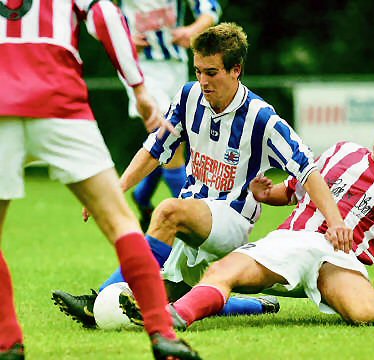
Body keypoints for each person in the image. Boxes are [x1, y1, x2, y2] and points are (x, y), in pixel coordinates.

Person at [52, 21, 353, 331]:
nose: (203, 81)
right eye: (198, 71)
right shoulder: (188, 97)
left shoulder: (260, 117)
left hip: (231, 222)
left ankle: (98, 299)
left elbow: (307, 168)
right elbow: (155, 148)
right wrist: (115, 190)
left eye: (212, 73)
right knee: (164, 300)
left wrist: (337, 222)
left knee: (168, 211)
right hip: (194, 214)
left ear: (236, 69)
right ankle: (255, 306)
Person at [120, 101, 374, 330]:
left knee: (366, 315)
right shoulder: (341, 151)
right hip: (290, 242)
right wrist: (267, 193)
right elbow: (294, 189)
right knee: (220, 271)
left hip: (338, 260)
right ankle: (170, 315)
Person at [0, 0, 200, 359]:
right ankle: (161, 333)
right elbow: (107, 16)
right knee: (120, 221)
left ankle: (7, 340)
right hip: (58, 98)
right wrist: (140, 90)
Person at [118, 0, 222, 231]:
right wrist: (120, 39)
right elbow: (95, 13)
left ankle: (142, 195)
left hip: (175, 65)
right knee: (167, 133)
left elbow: (210, 9)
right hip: (140, 67)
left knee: (173, 140)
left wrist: (192, 30)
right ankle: (191, 219)